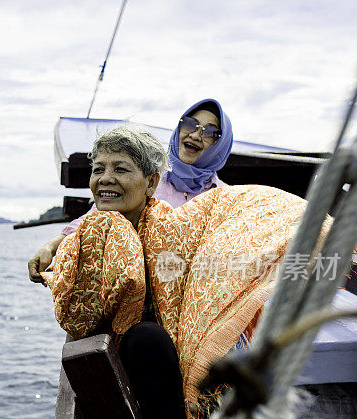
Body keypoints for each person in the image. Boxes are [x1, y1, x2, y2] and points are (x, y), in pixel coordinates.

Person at [40, 123, 312, 419]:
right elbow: (80, 308)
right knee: (149, 341)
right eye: (98, 169)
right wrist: (58, 246)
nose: (105, 179)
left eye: (120, 169)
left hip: (174, 374)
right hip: (144, 369)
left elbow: (239, 214)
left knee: (191, 367)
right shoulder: (95, 231)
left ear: (151, 182)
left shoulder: (173, 226)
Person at [29, 98, 232, 284]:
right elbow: (93, 220)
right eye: (189, 124)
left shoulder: (225, 198)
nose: (196, 135)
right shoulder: (148, 181)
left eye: (210, 132)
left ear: (220, 144)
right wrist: (50, 248)